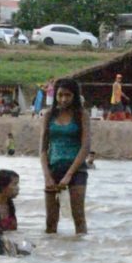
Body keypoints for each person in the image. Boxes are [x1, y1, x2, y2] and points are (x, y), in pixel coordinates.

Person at [40, 78, 91, 234]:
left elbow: (85, 147)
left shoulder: (81, 115)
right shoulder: (49, 115)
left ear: (75, 96)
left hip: (77, 170)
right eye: (60, 95)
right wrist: (47, 176)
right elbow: (42, 149)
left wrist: (69, 175)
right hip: (53, 168)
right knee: (50, 222)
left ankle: (81, 247)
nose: (63, 99)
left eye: (68, 95)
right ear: (55, 95)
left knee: (79, 218)